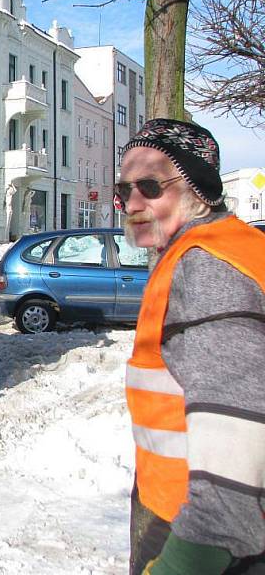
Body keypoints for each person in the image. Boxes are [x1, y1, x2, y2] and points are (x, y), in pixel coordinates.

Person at [117, 118, 265, 575]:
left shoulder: (206, 270)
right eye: (124, 191)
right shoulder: (229, 247)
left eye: (150, 186)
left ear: (197, 189)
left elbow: (235, 449)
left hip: (202, 536)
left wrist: (181, 565)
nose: (133, 203)